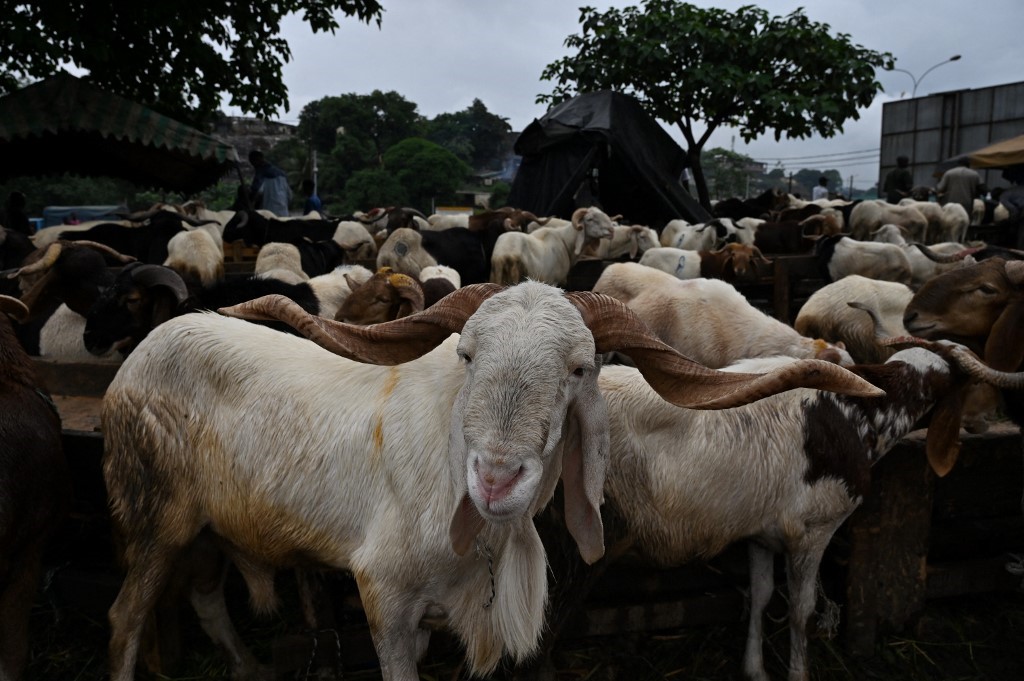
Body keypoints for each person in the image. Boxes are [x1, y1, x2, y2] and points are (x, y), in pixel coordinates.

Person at [248, 149, 292, 217]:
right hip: (284, 213)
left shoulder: (261, 174)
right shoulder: (282, 174)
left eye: (252, 163)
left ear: (256, 161)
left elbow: (257, 193)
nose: (253, 166)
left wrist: (252, 204)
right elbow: (290, 196)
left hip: (268, 214)